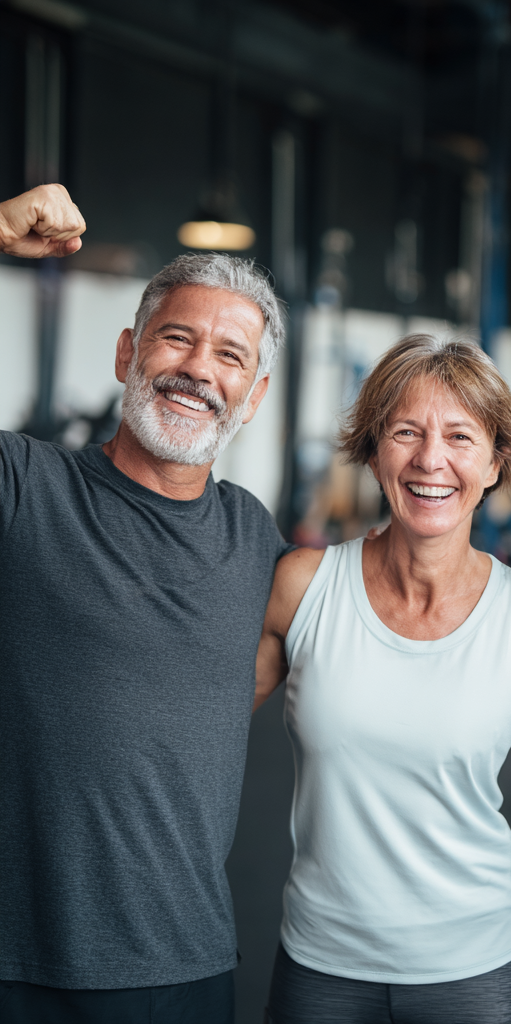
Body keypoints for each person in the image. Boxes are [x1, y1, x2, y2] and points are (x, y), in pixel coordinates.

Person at [0, 185, 289, 1023]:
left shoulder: (256, 540)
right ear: (128, 353)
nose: (201, 368)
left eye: (232, 356)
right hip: (16, 969)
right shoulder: (26, 488)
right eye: (178, 338)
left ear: (255, 396)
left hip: (182, 969)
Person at [254, 334, 511, 1024]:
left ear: (496, 463)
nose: (432, 459)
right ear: (374, 451)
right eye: (406, 431)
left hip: (481, 970)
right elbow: (194, 723)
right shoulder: (302, 588)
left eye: (461, 436)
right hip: (321, 965)